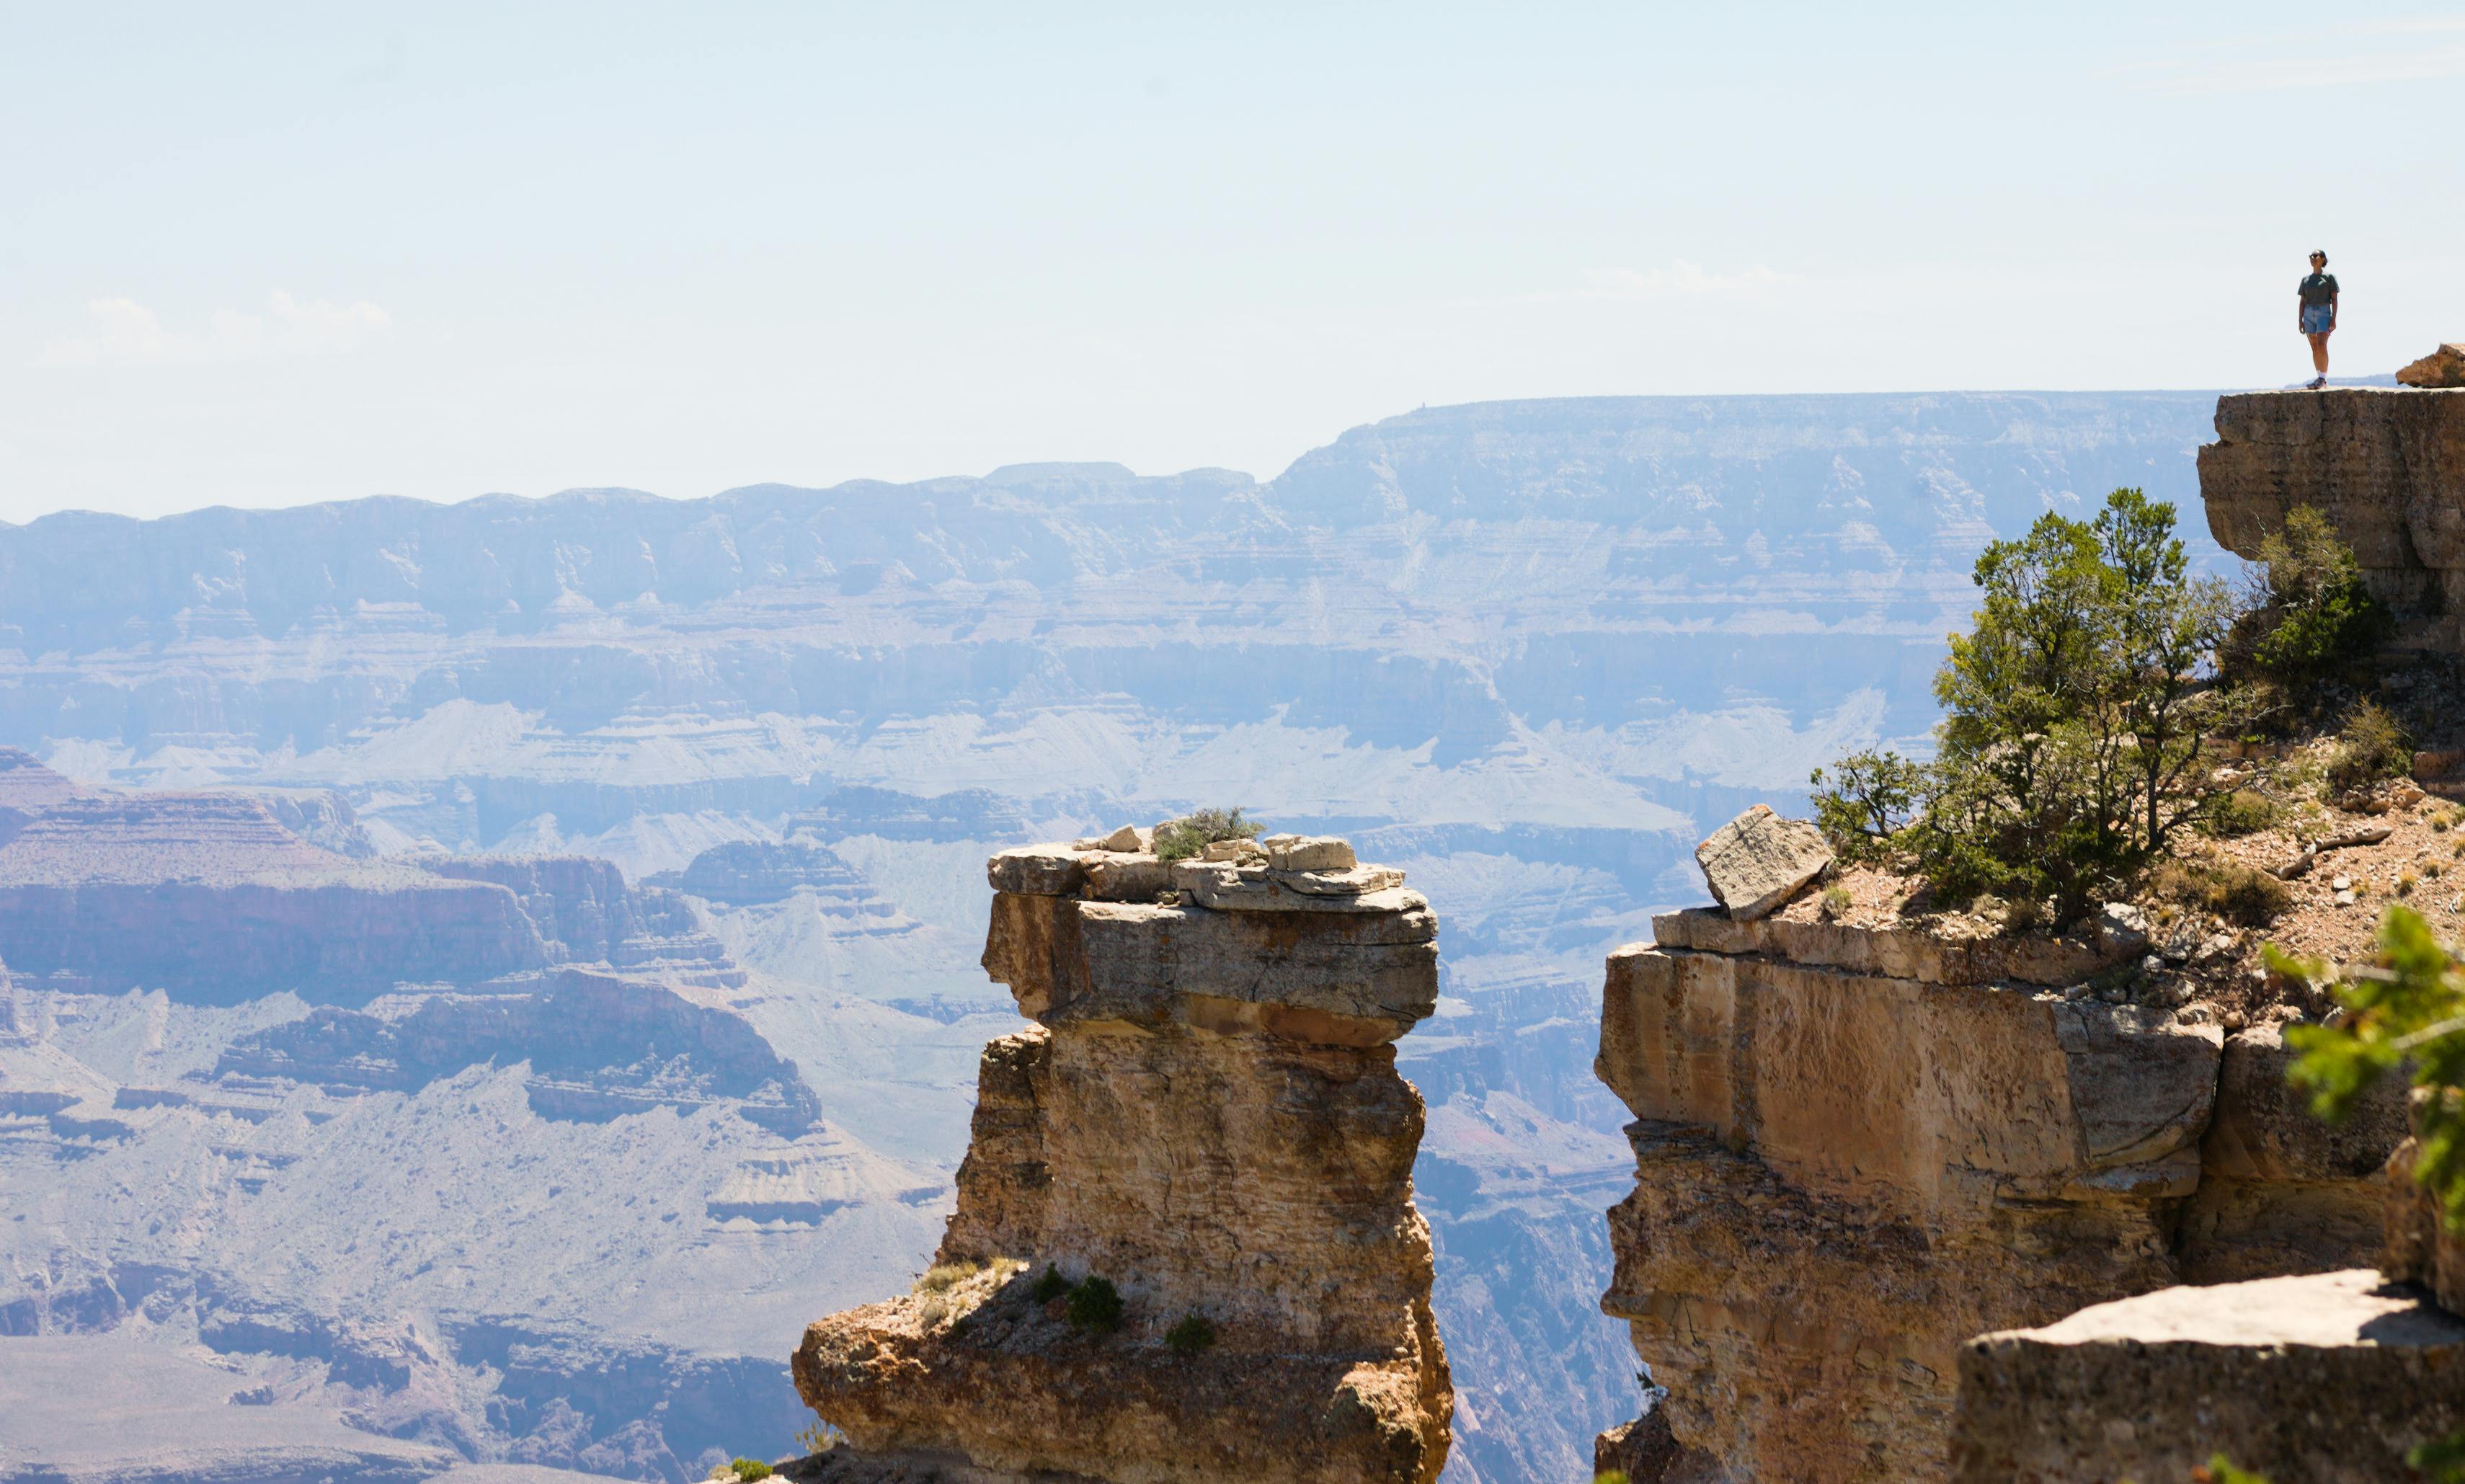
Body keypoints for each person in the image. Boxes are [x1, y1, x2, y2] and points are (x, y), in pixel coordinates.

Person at [2299, 250, 2338, 389]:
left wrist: (2333, 319)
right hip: (2308, 313)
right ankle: (2319, 376)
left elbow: (2334, 299)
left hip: (2323, 312)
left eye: (2315, 256)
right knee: (2314, 347)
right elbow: (2302, 301)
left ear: (2323, 259)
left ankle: (2323, 379)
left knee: (2322, 345)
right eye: (2311, 256)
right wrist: (2300, 321)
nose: (2312, 258)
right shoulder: (2306, 280)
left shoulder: (2329, 278)